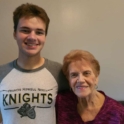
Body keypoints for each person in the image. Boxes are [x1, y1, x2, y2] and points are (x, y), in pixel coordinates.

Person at [0, 3, 69, 124]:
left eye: (39, 32)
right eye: (25, 30)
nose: (32, 37)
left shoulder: (58, 72)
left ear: (45, 37)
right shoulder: (1, 73)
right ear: (15, 34)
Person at [56, 50, 124, 124]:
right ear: (68, 80)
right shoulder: (60, 102)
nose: (80, 80)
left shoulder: (118, 112)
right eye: (74, 75)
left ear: (96, 77)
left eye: (86, 73)